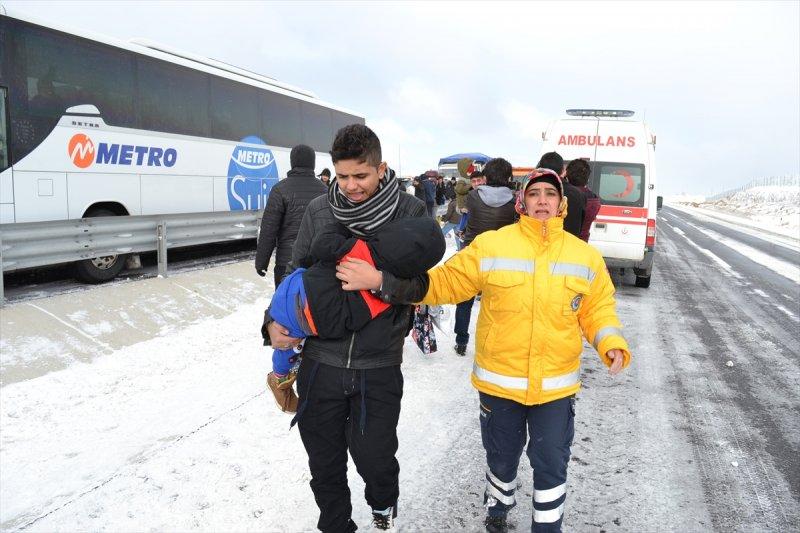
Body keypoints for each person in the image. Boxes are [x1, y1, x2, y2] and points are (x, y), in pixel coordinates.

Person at [336, 168, 631, 533]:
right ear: (522, 202)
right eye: (535, 193)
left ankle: (548, 527)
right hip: (500, 384)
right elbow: (446, 281)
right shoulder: (493, 245)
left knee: (551, 461)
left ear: (561, 204)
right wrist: (383, 281)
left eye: (549, 195)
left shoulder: (584, 257)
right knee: (502, 458)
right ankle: (498, 502)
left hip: (555, 386)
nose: (542, 200)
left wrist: (610, 342)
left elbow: (598, 308)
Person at [264, 124, 427, 532]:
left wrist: (379, 282)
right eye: (343, 176)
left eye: (361, 176)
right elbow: (292, 274)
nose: (351, 186)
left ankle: (383, 501)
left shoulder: (409, 213)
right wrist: (270, 323)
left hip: (378, 365)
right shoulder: (321, 211)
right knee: (324, 460)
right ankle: (335, 524)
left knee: (374, 457)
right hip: (321, 361)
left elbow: (424, 285)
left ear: (382, 168)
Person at [263, 216, 445, 413]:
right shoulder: (378, 299)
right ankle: (280, 378)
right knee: (290, 347)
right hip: (304, 320)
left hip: (293, 293)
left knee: (290, 348)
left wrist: (340, 227)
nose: (352, 186)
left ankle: (280, 376)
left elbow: (321, 244)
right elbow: (353, 321)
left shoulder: (358, 247)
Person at [452, 160, 517, 356]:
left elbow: (461, 202)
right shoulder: (515, 200)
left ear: (486, 177)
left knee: (465, 300)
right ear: (509, 178)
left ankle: (461, 341)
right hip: (502, 258)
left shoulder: (473, 196)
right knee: (498, 303)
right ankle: (496, 343)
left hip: (473, 253)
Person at [255, 144, 327, 286]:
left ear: (292, 162)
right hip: (319, 264)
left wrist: (261, 262)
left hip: (287, 264)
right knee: (316, 307)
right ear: (313, 163)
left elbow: (268, 229)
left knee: (286, 305)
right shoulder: (325, 190)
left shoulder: (279, 190)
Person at [537, 152, 585, 239]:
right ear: (563, 170)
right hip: (569, 247)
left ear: (540, 169)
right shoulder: (579, 194)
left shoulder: (533, 192)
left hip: (541, 246)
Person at [565, 159, 600, 242]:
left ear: (567, 176)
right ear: (587, 179)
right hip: (583, 243)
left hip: (564, 244)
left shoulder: (563, 196)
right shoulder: (594, 200)